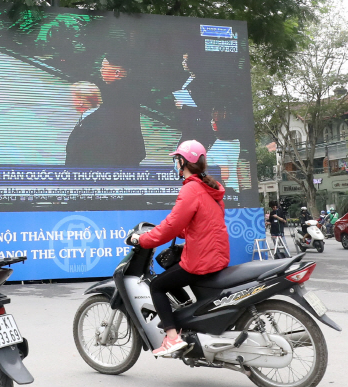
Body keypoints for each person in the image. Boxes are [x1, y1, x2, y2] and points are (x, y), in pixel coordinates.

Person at [129, 140, 230, 357]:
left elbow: (171, 225)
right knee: (172, 270)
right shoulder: (210, 188)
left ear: (183, 161)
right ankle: (186, 316)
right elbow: (201, 224)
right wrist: (179, 232)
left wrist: (143, 239)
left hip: (202, 260)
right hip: (217, 256)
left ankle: (172, 337)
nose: (176, 164)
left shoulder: (191, 189)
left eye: (177, 160)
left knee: (157, 286)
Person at [67, 53, 146, 166]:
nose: (101, 70)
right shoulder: (126, 90)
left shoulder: (115, 95)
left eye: (104, 67)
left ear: (117, 73)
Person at [65, 81, 103, 166]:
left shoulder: (94, 124)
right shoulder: (89, 117)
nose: (71, 100)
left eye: (73, 97)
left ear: (81, 101)